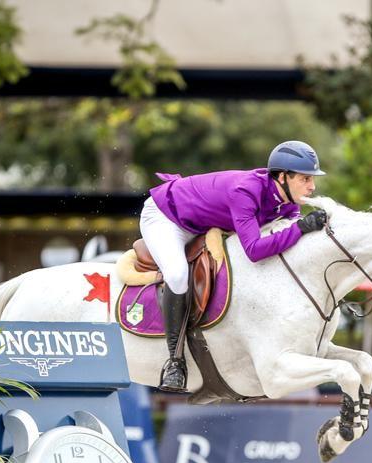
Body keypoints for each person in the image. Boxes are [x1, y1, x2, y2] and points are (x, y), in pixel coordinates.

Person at [140, 140, 330, 392]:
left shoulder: (289, 203)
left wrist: (306, 229)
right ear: (283, 177)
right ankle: (174, 362)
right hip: (166, 218)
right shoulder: (246, 191)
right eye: (306, 179)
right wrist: (300, 228)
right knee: (176, 275)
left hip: (200, 223)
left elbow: (290, 243)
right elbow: (254, 250)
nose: (312, 186)